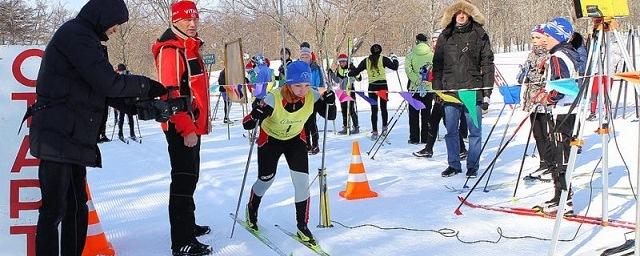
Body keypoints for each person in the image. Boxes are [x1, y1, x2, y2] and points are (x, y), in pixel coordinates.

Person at [29, 0, 167, 255]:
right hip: (57, 134)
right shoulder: (76, 36)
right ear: (104, 15)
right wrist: (146, 85)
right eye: (116, 23)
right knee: (54, 210)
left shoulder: (87, 39)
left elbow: (97, 89)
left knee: (76, 207)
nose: (115, 30)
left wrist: (136, 107)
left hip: (71, 135)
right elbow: (107, 83)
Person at [242, 60, 335, 245]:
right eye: (298, 85)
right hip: (270, 141)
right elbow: (247, 124)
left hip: (295, 140)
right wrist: (256, 113)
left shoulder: (313, 96)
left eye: (307, 85)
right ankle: (251, 210)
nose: (303, 90)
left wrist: (330, 103)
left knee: (302, 184)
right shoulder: (273, 98)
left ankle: (302, 226)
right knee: (266, 179)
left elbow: (330, 116)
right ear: (288, 83)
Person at [150, 1, 212, 255]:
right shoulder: (171, 50)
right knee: (183, 181)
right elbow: (171, 93)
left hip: (194, 124)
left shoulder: (189, 46)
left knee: (191, 177)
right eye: (186, 19)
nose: (192, 23)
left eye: (195, 18)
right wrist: (186, 128)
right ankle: (182, 241)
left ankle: (188, 224)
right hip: (180, 125)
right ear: (175, 20)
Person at [432, 0, 494, 178]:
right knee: (451, 131)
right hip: (450, 91)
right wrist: (437, 90)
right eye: (457, 13)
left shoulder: (479, 34)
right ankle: (453, 165)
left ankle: (472, 166)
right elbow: (437, 65)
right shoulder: (445, 35)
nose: (461, 16)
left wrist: (488, 92)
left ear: (469, 15)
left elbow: (488, 63)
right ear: (452, 15)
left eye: (464, 13)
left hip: (473, 91)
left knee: (475, 131)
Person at [535, 17, 580, 216]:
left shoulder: (559, 56)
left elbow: (562, 85)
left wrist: (548, 98)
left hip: (563, 111)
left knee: (559, 154)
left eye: (546, 35)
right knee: (557, 153)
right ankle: (559, 195)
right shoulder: (563, 53)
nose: (543, 39)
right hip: (567, 110)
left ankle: (564, 200)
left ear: (556, 36)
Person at [414, 29, 467, 159]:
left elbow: (448, 74)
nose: (433, 43)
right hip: (438, 95)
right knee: (433, 123)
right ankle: (428, 149)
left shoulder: (448, 53)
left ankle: (462, 150)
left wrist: (431, 76)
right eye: (432, 40)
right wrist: (426, 74)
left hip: (448, 96)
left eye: (436, 40)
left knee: (449, 126)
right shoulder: (436, 54)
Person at [520, 24, 552, 175]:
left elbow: (546, 76)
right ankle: (543, 161)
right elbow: (527, 72)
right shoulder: (531, 54)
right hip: (531, 98)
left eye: (537, 37)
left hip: (544, 98)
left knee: (547, 131)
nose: (534, 41)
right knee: (537, 132)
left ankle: (552, 161)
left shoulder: (550, 54)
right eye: (532, 38)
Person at [349, 44, 399, 139]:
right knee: (384, 108)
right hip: (383, 86)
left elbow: (356, 71)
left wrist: (350, 70)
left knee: (374, 109)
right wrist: (394, 58)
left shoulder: (366, 60)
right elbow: (395, 67)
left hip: (372, 87)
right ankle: (384, 129)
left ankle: (375, 131)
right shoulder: (383, 59)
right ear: (380, 51)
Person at [405, 33, 434, 144]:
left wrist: (416, 80)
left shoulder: (410, 55)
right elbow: (435, 70)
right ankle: (425, 138)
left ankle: (414, 138)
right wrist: (426, 80)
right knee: (426, 114)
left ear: (416, 41)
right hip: (428, 88)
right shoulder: (432, 55)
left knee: (413, 114)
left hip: (414, 88)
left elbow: (408, 70)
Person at [300, 42, 324, 155]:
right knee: (304, 122)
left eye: (306, 56)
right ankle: (307, 144)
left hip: (313, 96)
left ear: (310, 56)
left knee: (312, 122)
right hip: (302, 97)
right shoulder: (298, 67)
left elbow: (320, 82)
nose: (305, 58)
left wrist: (317, 92)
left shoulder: (315, 67)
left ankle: (315, 144)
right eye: (302, 56)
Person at [328, 53, 361, 134]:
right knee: (344, 110)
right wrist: (331, 73)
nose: (342, 63)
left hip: (350, 90)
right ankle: (345, 127)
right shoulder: (339, 69)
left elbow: (359, 79)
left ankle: (356, 127)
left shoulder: (351, 68)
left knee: (351, 110)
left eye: (344, 61)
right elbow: (336, 80)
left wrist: (354, 71)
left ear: (347, 61)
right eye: (340, 62)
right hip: (342, 91)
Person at [115, 63, 137, 141]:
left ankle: (132, 133)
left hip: (129, 99)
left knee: (130, 116)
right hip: (121, 99)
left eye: (122, 70)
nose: (121, 72)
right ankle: (120, 133)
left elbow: (134, 85)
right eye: (120, 71)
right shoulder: (116, 75)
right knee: (121, 117)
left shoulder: (130, 75)